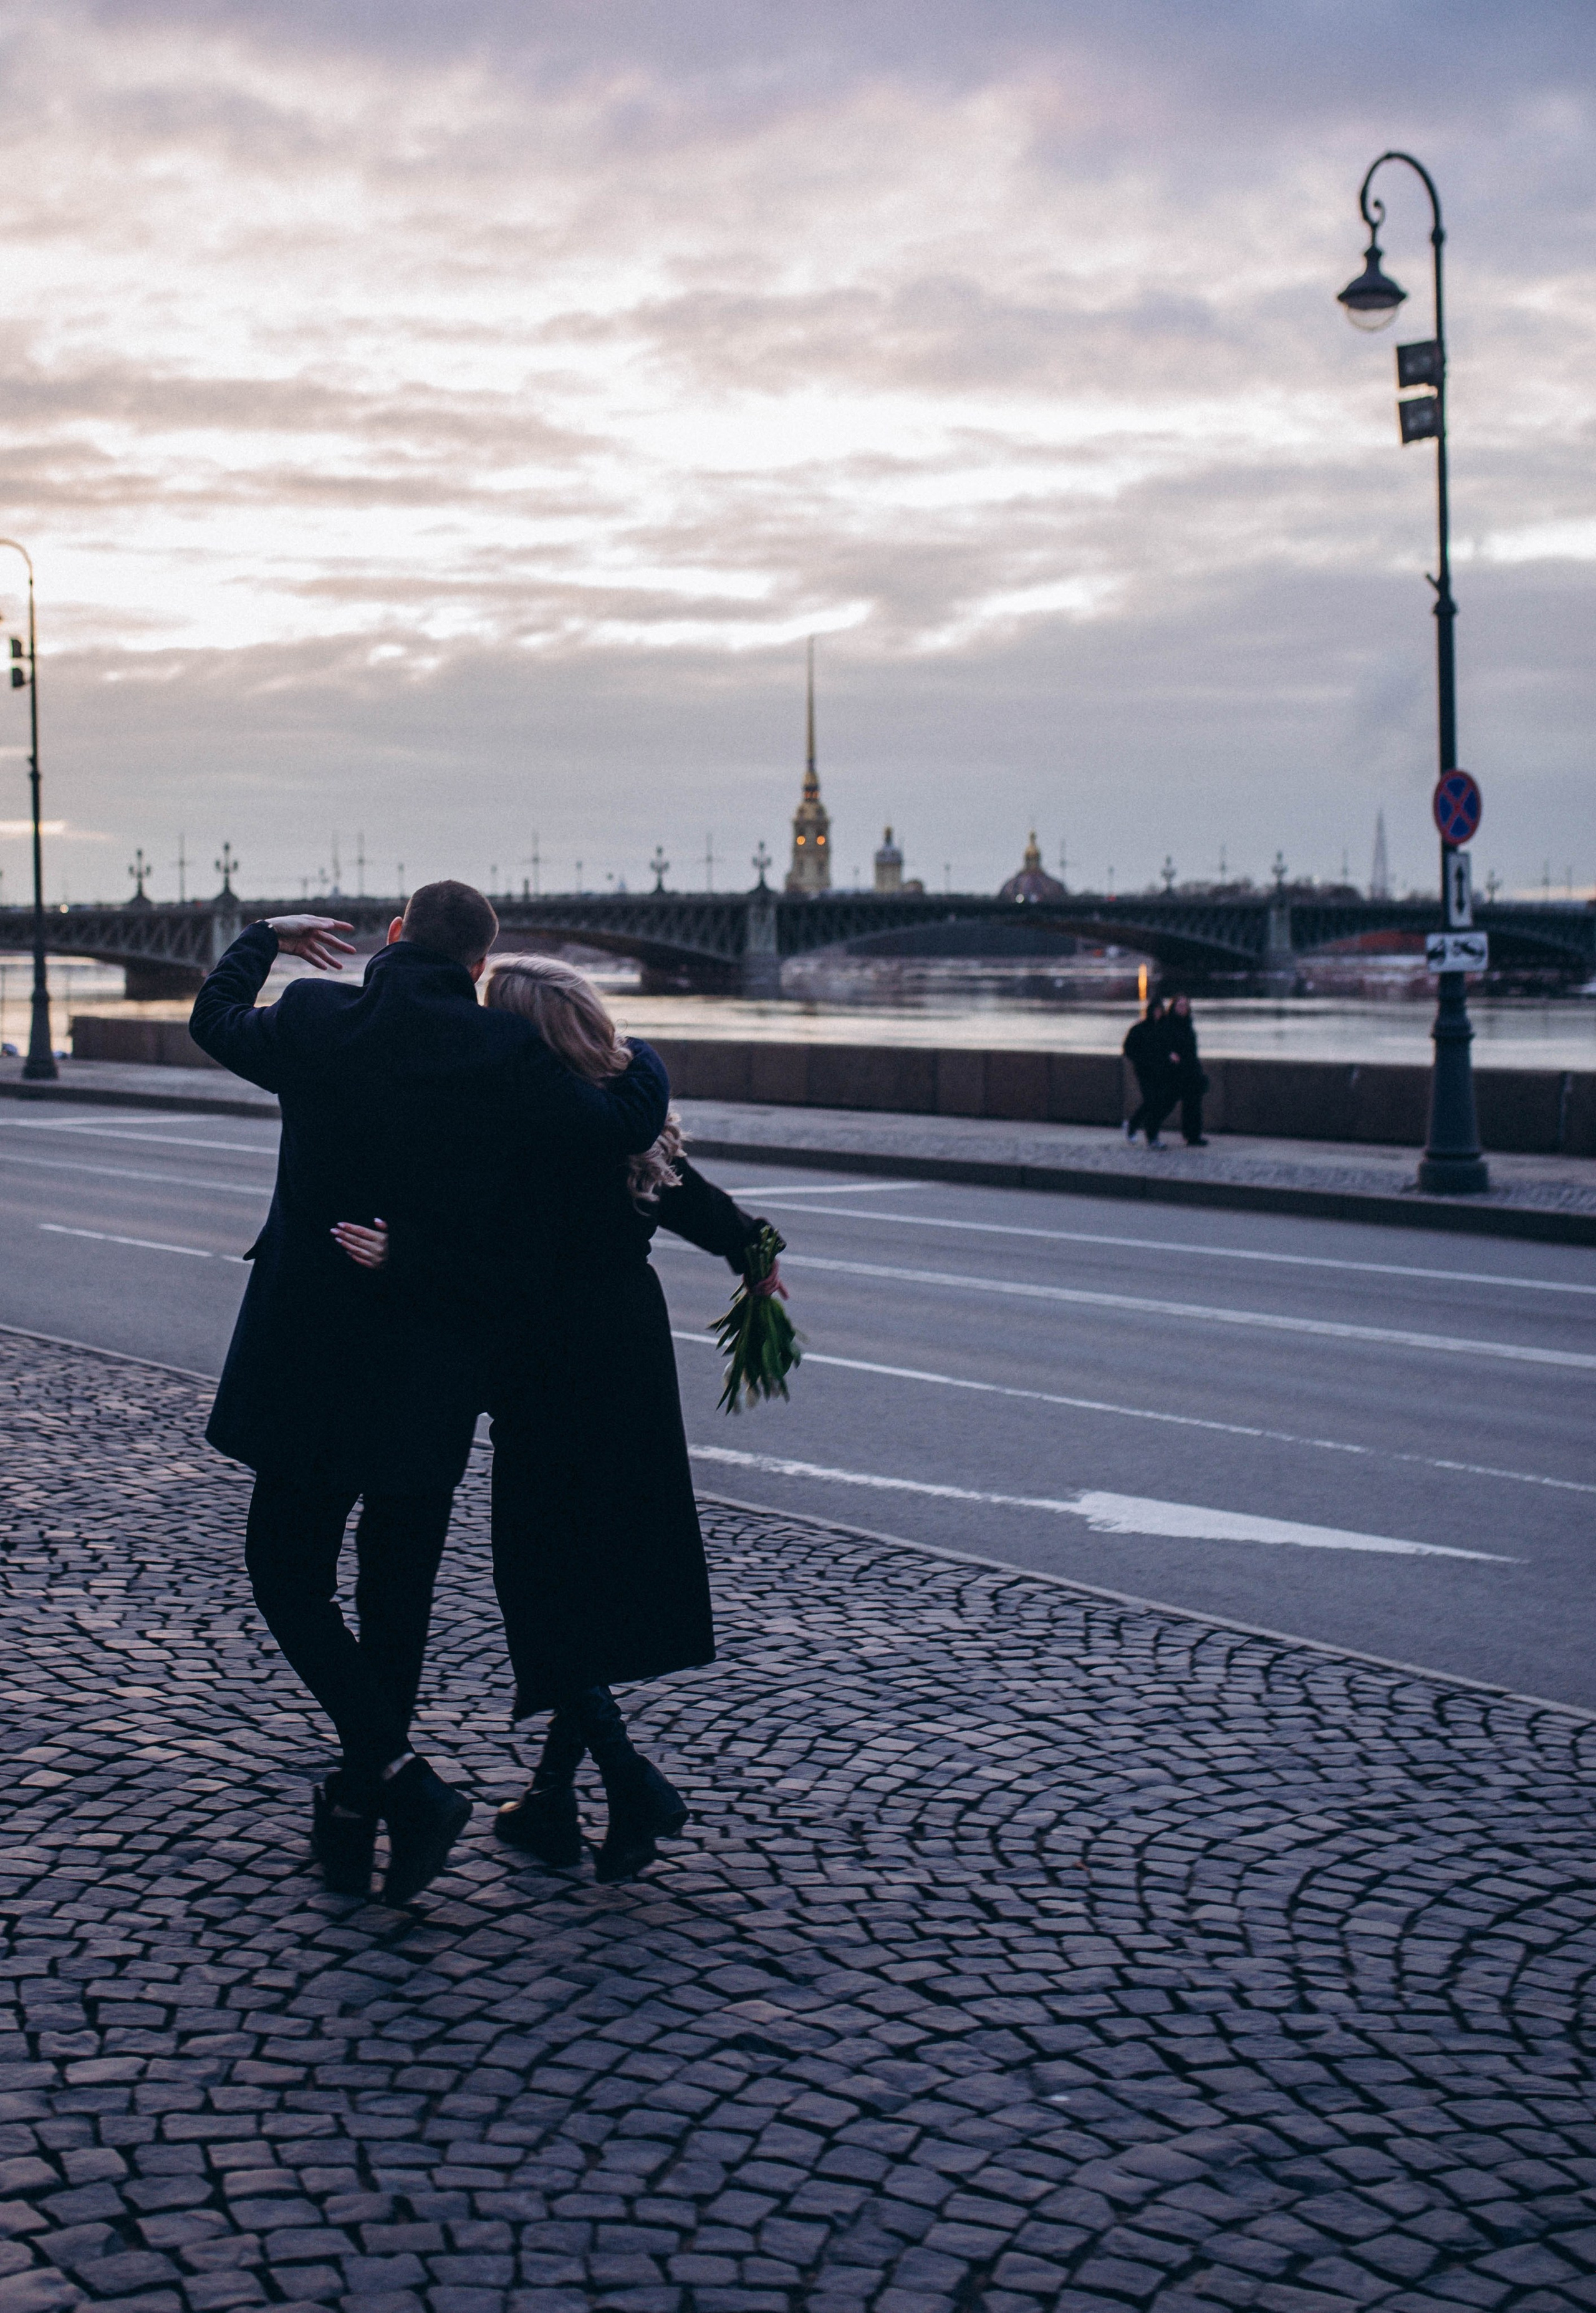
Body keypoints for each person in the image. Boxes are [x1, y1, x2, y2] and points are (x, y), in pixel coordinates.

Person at [188, 886, 670, 1905]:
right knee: (393, 1591)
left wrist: (264, 939)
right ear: (480, 961)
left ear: (397, 936)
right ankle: (366, 1801)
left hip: (308, 1356)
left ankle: (398, 1785)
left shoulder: (320, 1018)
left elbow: (214, 1020)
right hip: (434, 1363)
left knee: (286, 1570)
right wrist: (648, 1056)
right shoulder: (509, 1054)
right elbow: (617, 1119)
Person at [333, 953, 782, 1885]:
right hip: (631, 1352)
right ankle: (553, 1801)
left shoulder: (522, 1120)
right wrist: (758, 1248)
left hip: (549, 1364)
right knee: (596, 1571)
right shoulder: (624, 1107)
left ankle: (628, 1783)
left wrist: (400, 1259)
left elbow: (490, 1264)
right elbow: (687, 1196)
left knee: (540, 1580)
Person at [1122, 993, 1173, 1147]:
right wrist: (1141, 1061)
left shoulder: (1165, 1029)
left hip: (1162, 1072)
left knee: (1154, 1103)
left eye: (1160, 1010)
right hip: (1145, 1072)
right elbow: (1128, 1049)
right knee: (1152, 1102)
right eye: (1155, 1010)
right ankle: (1150, 1136)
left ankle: (1135, 1126)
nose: (1157, 1013)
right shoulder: (1139, 1029)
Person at [1166, 992, 1210, 1146]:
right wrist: (1169, 1055)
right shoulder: (1168, 1025)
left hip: (1191, 1069)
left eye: (1185, 1005)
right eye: (1180, 1005)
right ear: (1173, 1007)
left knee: (1194, 1104)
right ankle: (1189, 1134)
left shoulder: (1188, 1023)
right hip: (1177, 1070)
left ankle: (1194, 1135)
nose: (1183, 1008)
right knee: (1171, 1104)